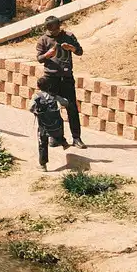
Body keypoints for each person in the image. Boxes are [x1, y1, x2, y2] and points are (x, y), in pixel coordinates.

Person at [35, 15, 85, 147]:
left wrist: (71, 48)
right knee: (51, 108)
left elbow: (80, 51)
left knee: (72, 108)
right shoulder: (43, 40)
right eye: (50, 29)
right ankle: (56, 137)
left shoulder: (69, 36)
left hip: (66, 77)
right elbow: (39, 58)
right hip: (51, 78)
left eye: (55, 28)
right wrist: (48, 55)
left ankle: (76, 138)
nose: (54, 31)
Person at [30, 68, 72, 171]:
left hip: (43, 124)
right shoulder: (54, 96)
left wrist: (36, 112)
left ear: (38, 86)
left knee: (42, 143)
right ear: (49, 86)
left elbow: (30, 108)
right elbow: (65, 102)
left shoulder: (36, 96)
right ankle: (63, 142)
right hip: (55, 122)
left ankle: (43, 165)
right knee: (56, 131)